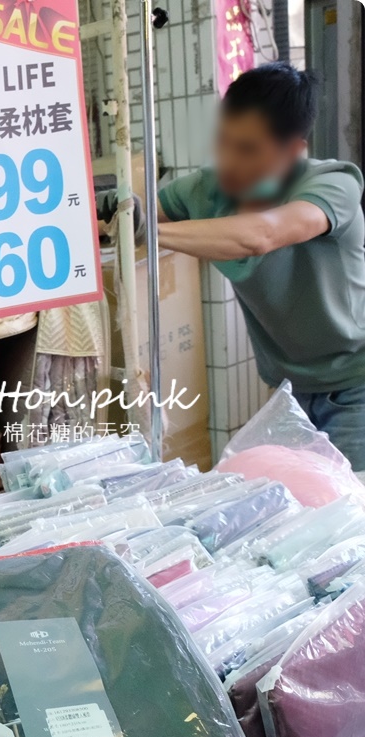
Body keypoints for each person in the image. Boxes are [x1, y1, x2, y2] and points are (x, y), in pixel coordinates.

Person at [156, 62, 365, 470]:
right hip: (288, 391)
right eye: (223, 141)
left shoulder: (333, 184)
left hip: (356, 386)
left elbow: (261, 235)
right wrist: (112, 212)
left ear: (294, 152)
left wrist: (148, 233)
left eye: (248, 149)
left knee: (350, 504)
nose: (229, 161)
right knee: (292, 500)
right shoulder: (206, 189)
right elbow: (134, 211)